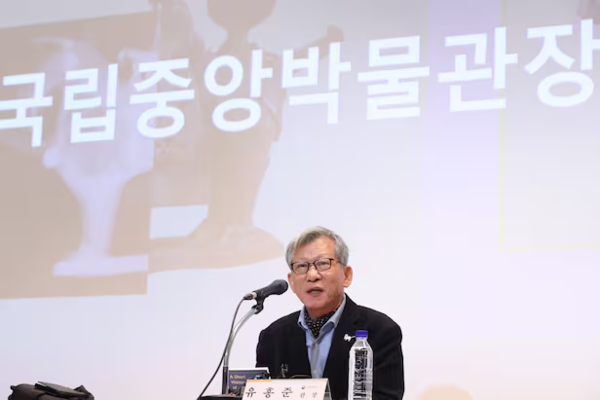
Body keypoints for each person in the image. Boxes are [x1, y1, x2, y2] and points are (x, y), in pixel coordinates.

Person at [256, 227, 405, 400]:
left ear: (346, 275)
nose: (312, 275)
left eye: (323, 264)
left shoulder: (380, 331)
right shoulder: (272, 337)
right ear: (292, 282)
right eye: (302, 266)